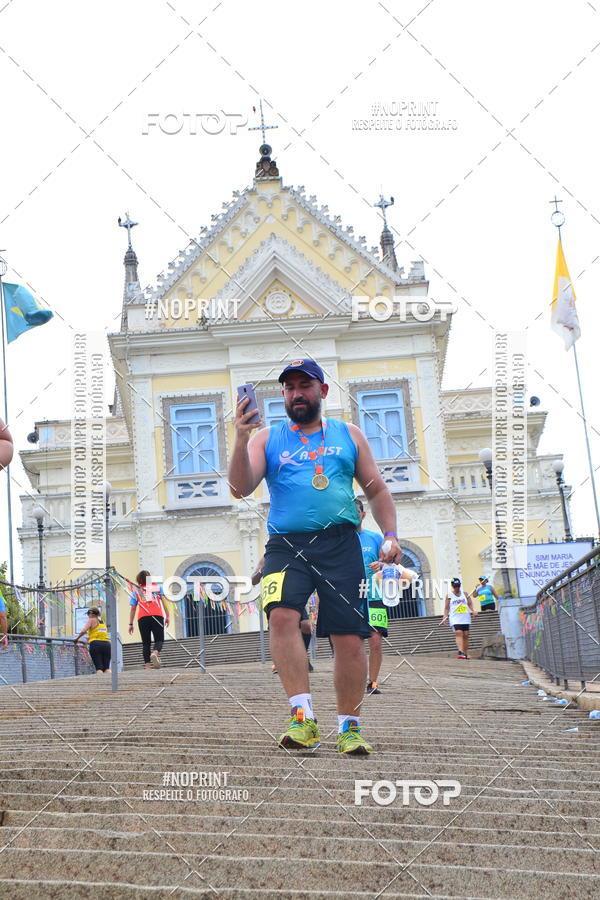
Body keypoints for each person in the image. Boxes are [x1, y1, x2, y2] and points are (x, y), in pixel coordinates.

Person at [228, 358, 401, 755]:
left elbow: (376, 491)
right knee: (282, 615)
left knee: (349, 638)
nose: (295, 394)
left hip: (340, 544)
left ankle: (349, 727)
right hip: (286, 545)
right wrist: (239, 438)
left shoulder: (348, 435)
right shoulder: (265, 438)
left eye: (304, 386)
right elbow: (240, 489)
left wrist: (390, 535)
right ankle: (302, 719)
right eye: (288, 388)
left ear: (322, 391)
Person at [252, 555, 314, 673]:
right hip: (274, 597)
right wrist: (260, 571)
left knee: (305, 625)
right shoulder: (267, 558)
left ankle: (302, 657)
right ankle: (280, 662)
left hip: (292, 595)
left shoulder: (293, 552)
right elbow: (253, 580)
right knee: (278, 629)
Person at [354, 498, 386, 695]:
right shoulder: (340, 540)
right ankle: (355, 681)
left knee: (375, 640)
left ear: (363, 514)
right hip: (351, 596)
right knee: (354, 643)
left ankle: (372, 682)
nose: (353, 514)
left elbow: (392, 565)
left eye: (356, 511)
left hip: (374, 594)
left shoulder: (375, 538)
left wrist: (382, 565)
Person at [128, 571, 169, 670]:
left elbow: (133, 608)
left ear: (139, 580)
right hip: (157, 615)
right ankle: (155, 653)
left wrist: (130, 623)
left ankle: (147, 667)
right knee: (159, 639)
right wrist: (167, 616)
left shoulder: (136, 591)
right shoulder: (158, 588)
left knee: (146, 643)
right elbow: (164, 603)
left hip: (142, 618)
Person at [442, 578, 477, 659]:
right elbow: (447, 608)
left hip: (465, 617)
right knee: (458, 633)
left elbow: (470, 603)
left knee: (466, 635)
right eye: (455, 586)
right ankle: (460, 652)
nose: (457, 588)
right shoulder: (449, 595)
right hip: (455, 618)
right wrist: (445, 617)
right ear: (452, 586)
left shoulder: (465, 594)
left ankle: (465, 653)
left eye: (458, 586)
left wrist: (473, 611)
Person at [74, 607, 111, 673]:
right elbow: (100, 633)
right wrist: (89, 639)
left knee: (99, 668)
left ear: (91, 613)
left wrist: (77, 638)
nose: (88, 616)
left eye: (88, 614)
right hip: (107, 644)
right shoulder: (102, 622)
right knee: (107, 668)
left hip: (96, 645)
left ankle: (100, 682)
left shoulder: (91, 620)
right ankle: (111, 683)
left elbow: (84, 631)